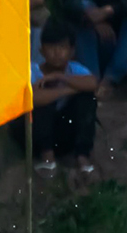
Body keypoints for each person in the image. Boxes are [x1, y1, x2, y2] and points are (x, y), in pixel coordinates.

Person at [25, 19, 99, 180]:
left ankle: (82, 157)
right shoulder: (31, 71)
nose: (57, 52)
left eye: (62, 47)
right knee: (43, 98)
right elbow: (33, 99)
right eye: (51, 47)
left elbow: (92, 83)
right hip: (34, 138)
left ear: (72, 51)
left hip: (63, 135)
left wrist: (60, 77)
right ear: (42, 50)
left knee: (86, 98)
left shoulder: (75, 69)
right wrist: (66, 90)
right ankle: (47, 158)